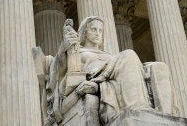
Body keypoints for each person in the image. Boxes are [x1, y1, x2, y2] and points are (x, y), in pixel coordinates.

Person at [46, 16, 176, 124]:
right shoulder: (77, 52)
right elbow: (61, 72)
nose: (98, 33)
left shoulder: (109, 56)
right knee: (128, 55)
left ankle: (166, 117)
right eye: (93, 29)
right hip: (96, 76)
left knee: (159, 67)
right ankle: (138, 109)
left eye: (100, 30)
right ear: (85, 32)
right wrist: (63, 49)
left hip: (112, 76)